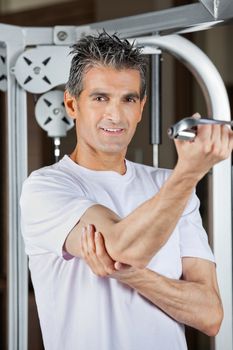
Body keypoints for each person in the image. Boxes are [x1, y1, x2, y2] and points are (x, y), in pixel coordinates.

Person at [20, 31, 232, 350]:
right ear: (71, 103)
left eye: (128, 99)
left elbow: (210, 314)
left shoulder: (169, 186)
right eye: (100, 98)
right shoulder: (46, 186)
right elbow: (123, 247)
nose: (115, 115)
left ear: (141, 107)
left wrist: (134, 277)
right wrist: (189, 171)